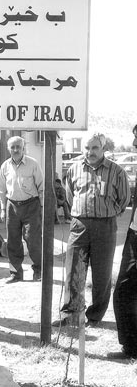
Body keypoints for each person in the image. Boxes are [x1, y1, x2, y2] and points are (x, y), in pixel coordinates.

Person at [53, 133, 130, 328]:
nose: (90, 152)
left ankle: (95, 316)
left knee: (101, 274)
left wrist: (106, 213)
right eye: (87, 148)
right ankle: (70, 313)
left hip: (105, 226)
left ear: (103, 149)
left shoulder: (117, 171)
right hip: (79, 225)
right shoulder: (74, 169)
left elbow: (124, 200)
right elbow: (70, 196)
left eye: (95, 148)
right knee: (73, 269)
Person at [0, 136, 43, 283]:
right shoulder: (5, 166)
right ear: (8, 149)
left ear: (24, 148)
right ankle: (16, 274)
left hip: (31, 206)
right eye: (13, 147)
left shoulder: (33, 164)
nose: (16, 150)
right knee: (13, 241)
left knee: (33, 240)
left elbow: (42, 186)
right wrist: (3, 209)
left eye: (19, 147)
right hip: (12, 206)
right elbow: (1, 190)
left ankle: (39, 271)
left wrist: (42, 207)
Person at [108, 127, 137, 359]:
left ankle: (132, 347)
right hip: (134, 235)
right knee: (124, 291)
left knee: (124, 292)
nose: (134, 144)